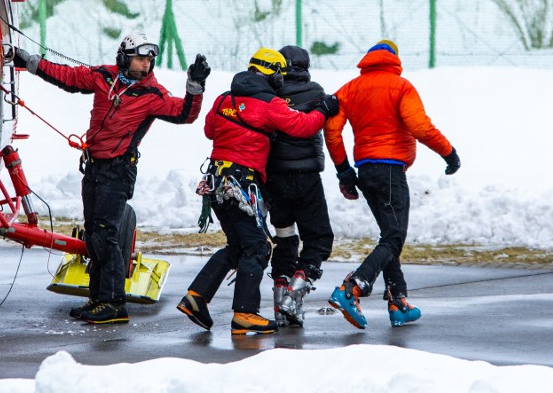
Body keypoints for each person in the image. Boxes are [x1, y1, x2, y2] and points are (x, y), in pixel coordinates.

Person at [12, 31, 209, 324]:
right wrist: (30, 62)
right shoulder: (104, 76)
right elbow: (68, 76)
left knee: (105, 234)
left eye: (149, 60)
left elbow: (185, 114)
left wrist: (195, 86)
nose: (145, 64)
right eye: (140, 58)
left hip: (119, 170)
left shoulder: (153, 94)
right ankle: (99, 298)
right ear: (124, 57)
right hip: (93, 166)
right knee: (93, 234)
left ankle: (114, 303)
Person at [177, 48, 338, 335]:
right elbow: (302, 126)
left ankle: (196, 297)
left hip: (216, 181)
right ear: (271, 74)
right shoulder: (270, 103)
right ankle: (245, 314)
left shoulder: (224, 98)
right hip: (241, 184)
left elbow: (210, 131)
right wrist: (324, 109)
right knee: (258, 247)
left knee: (238, 246)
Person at [325, 40, 460, 329]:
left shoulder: (349, 89)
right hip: (390, 171)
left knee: (390, 234)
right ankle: (353, 287)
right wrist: (449, 153)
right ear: (394, 58)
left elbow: (332, 131)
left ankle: (398, 302)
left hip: (366, 171)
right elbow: (419, 126)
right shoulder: (401, 86)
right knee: (394, 236)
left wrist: (344, 172)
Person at [264, 45, 334, 327]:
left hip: (274, 177)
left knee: (285, 237)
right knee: (318, 238)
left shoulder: (269, 94)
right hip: (306, 178)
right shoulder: (317, 92)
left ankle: (280, 298)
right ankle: (297, 289)